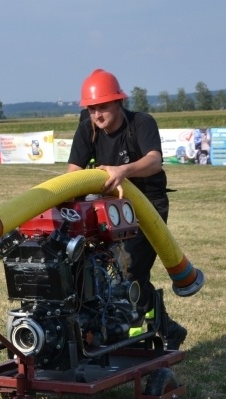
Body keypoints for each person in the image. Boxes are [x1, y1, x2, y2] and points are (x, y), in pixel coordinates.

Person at [67, 69, 187, 350]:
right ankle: (168, 329)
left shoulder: (141, 123)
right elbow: (72, 173)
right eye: (92, 109)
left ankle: (128, 337)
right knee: (97, 268)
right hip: (109, 208)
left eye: (103, 107)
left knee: (128, 269)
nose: (97, 115)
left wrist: (123, 171)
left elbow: (154, 161)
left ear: (119, 102)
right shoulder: (87, 129)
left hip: (147, 205)